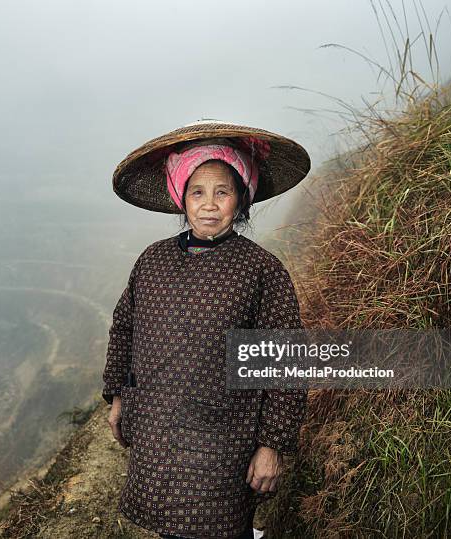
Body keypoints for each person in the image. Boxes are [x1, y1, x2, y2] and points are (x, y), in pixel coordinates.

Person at [102, 120, 311, 539]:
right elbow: (124, 328)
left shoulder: (261, 270)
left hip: (224, 441)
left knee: (215, 528)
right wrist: (118, 394)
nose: (209, 204)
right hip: (155, 433)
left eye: (222, 192)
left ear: (241, 200)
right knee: (168, 527)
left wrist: (271, 445)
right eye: (197, 192)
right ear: (182, 198)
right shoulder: (153, 261)